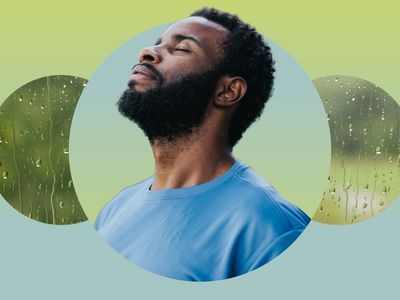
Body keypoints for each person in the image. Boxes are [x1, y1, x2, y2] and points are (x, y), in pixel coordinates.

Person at [95, 7, 310, 281]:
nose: (147, 52)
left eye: (181, 48)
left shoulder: (270, 226)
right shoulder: (116, 209)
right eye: (158, 42)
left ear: (227, 91)